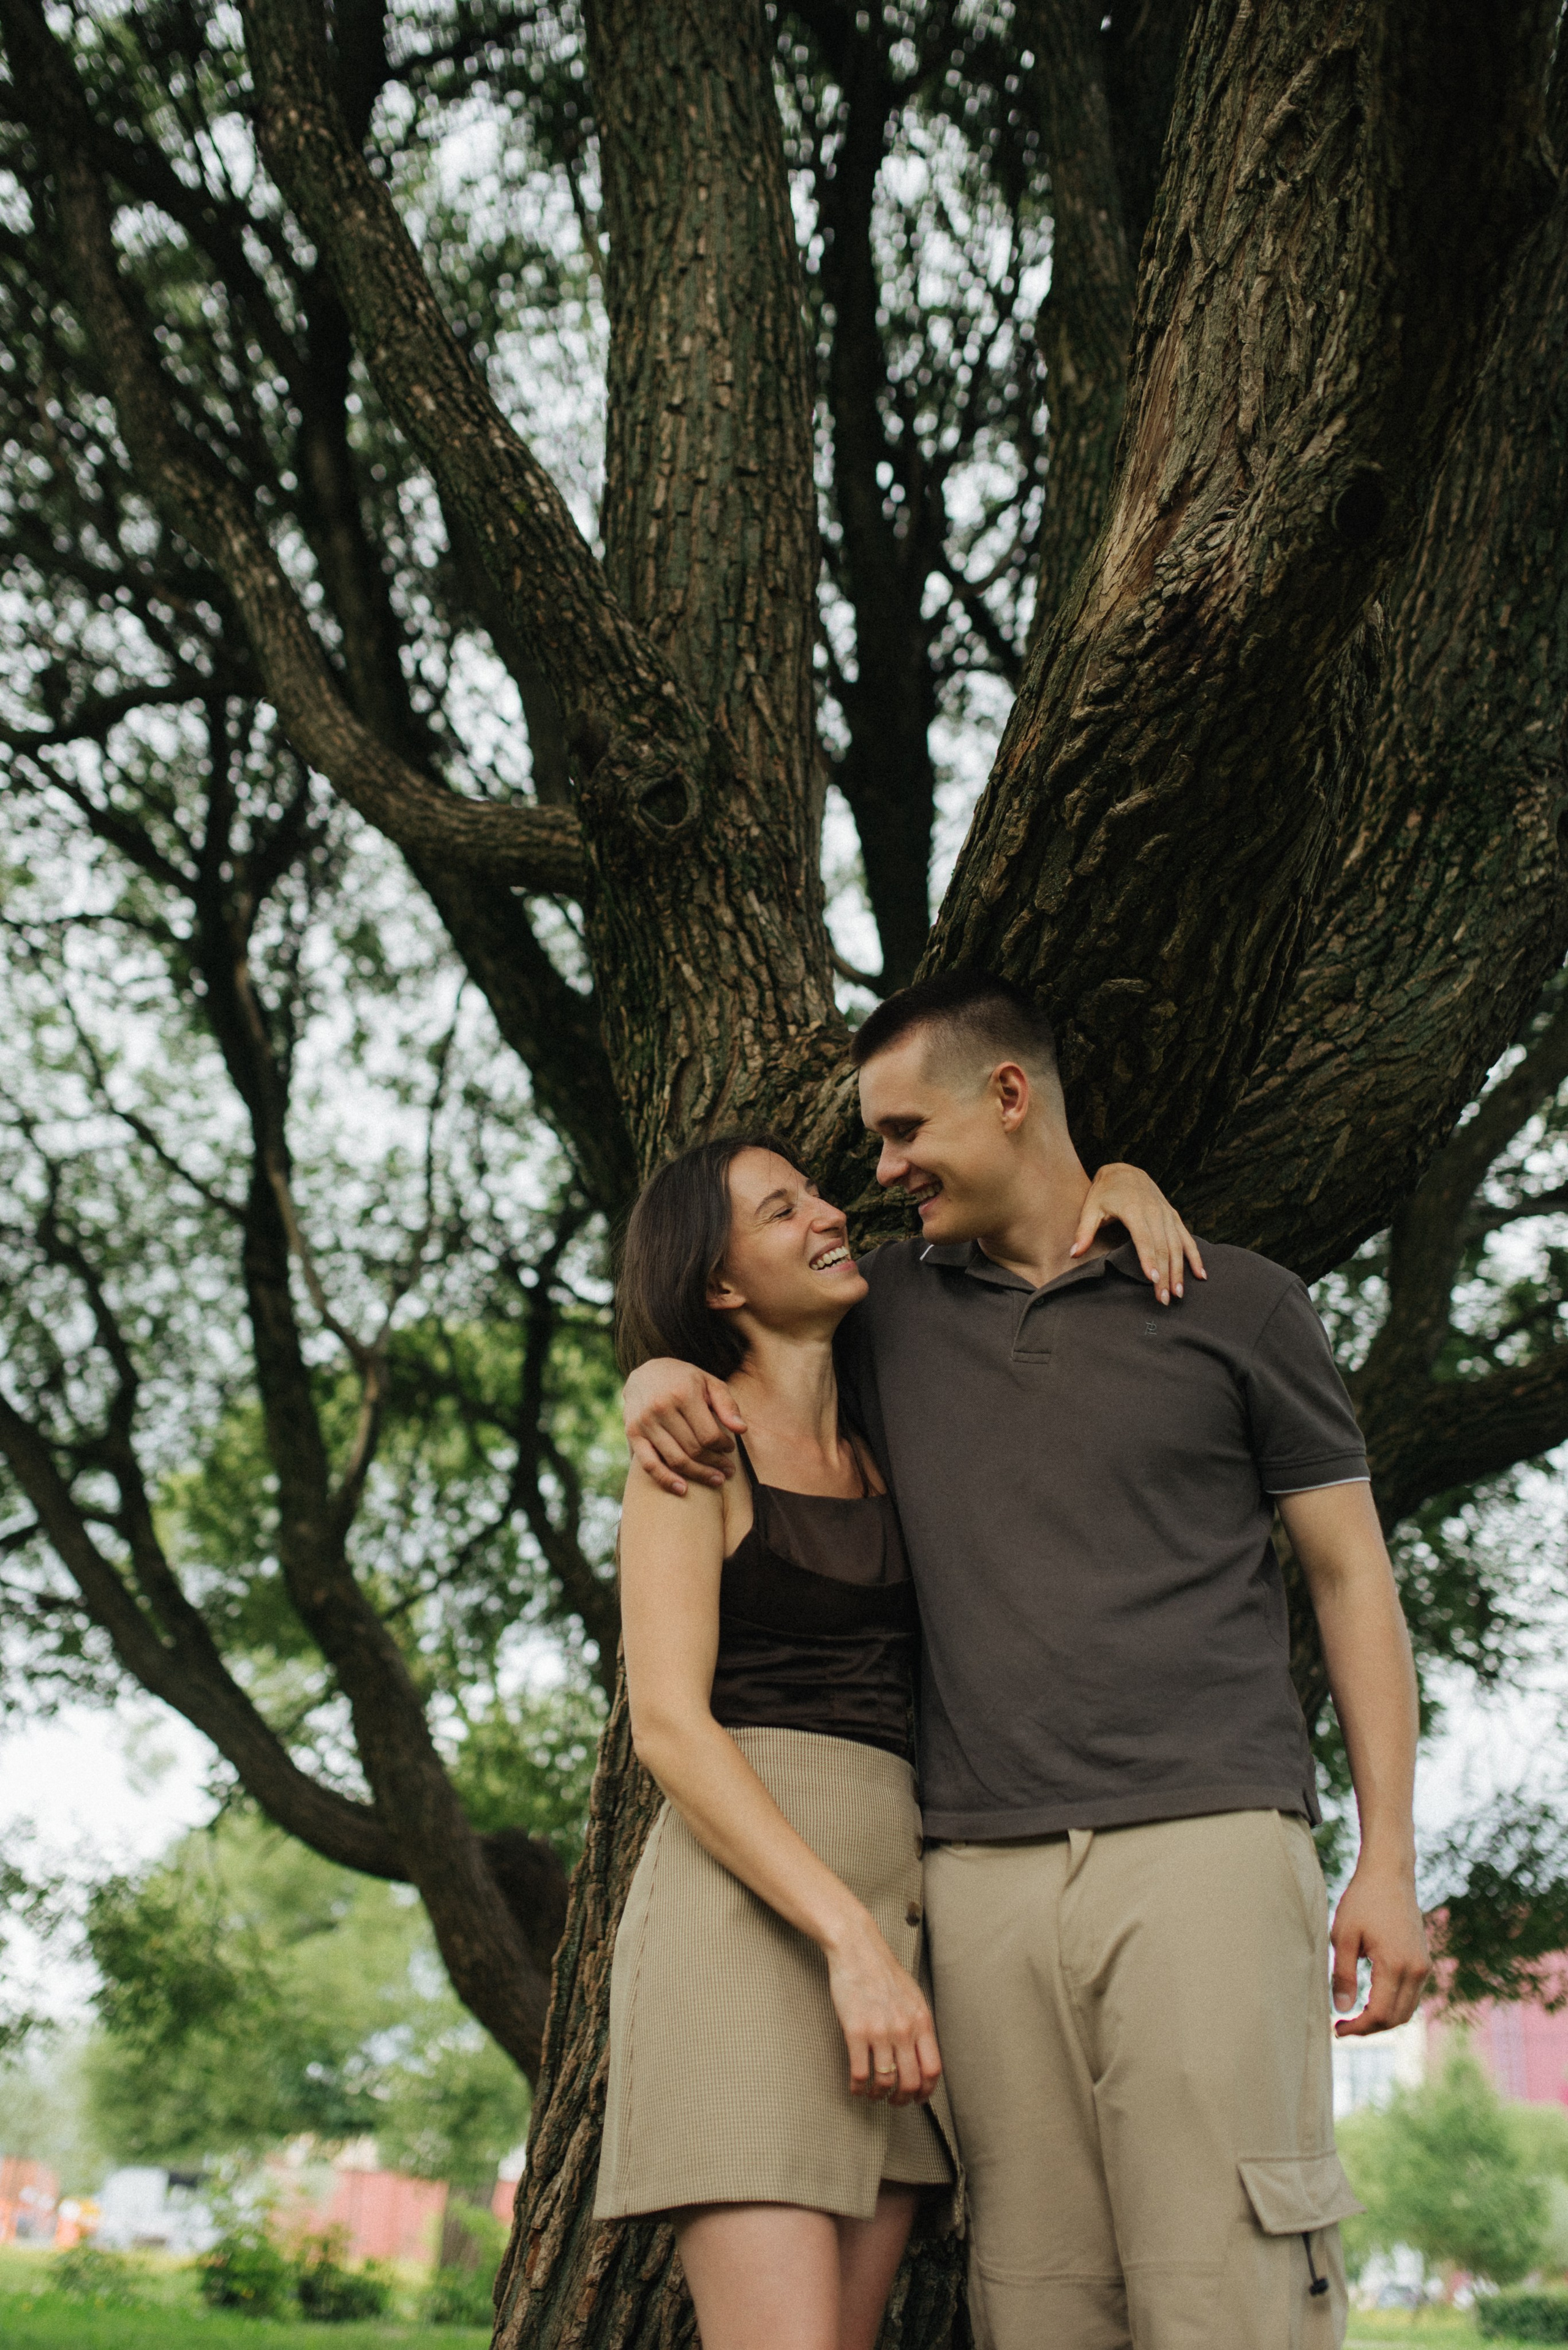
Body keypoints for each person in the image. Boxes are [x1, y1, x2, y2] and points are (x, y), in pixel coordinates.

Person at [623, 971, 1431, 2350]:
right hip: (972, 1881)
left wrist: (1390, 1858)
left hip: (1203, 1842)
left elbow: (1352, 1579)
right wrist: (648, 1377)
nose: (870, 1179)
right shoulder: (881, 1310)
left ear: (1006, 1095)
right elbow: (722, 1338)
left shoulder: (1237, 1303)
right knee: (1035, 2298)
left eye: (895, 1133)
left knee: (1228, 2282)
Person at [599, 1127, 1187, 2350]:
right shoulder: (690, 1451)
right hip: (750, 1924)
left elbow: (1038, 1229)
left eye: (817, 1193)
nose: (828, 1213)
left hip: (897, 1923)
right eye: (780, 1209)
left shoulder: (896, 1430)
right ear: (716, 1283)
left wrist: (1117, 1184)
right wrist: (847, 1937)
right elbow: (665, 1724)